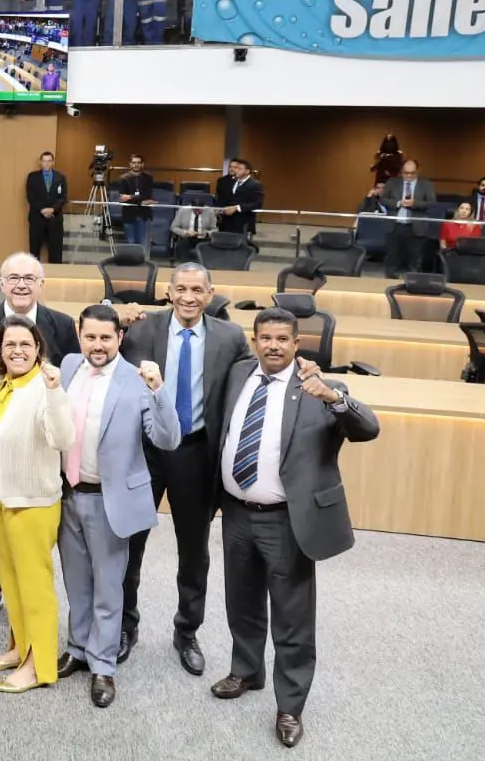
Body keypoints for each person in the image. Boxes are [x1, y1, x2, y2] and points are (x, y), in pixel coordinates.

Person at [210, 308, 380, 748]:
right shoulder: (239, 375)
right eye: (265, 338)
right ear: (254, 341)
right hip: (237, 513)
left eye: (282, 339)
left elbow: (367, 429)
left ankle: (290, 705)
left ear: (297, 342)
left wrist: (334, 398)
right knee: (241, 602)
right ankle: (246, 670)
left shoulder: (319, 388)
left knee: (292, 618)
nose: (273, 346)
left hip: (286, 521)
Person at [117, 263, 252, 673]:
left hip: (196, 453)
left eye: (197, 290)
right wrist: (116, 314)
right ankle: (125, 625)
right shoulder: (142, 331)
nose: (188, 297)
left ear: (210, 295)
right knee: (130, 543)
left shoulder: (230, 337)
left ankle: (187, 631)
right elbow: (101, 354)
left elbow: (253, 377)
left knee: (193, 550)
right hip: (147, 450)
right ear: (168, 292)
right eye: (181, 289)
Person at [55, 304, 179, 709]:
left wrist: (159, 390)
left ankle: (104, 664)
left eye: (106, 338)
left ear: (119, 339)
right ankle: (77, 647)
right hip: (69, 496)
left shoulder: (136, 380)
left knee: (109, 589)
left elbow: (167, 439)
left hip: (110, 501)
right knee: (76, 583)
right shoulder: (69, 366)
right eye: (90, 336)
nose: (97, 345)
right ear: (79, 334)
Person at [0, 314, 73, 692]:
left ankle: (39, 665)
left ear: (38, 350)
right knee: (10, 579)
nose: (17, 350)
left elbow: (63, 438)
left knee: (34, 585)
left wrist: (56, 391)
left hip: (30, 499)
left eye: (25, 345)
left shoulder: (44, 386)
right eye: (9, 344)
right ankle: (18, 647)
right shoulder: (1, 383)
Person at [0, 252, 79, 365]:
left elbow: (73, 374)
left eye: (29, 278)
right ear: (2, 284)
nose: (21, 285)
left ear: (41, 284)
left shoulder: (63, 326)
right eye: (14, 278)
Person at [378, 159, 436, 279]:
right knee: (392, 257)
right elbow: (383, 199)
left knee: (415, 258)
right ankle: (389, 283)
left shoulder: (426, 184)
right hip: (395, 226)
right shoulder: (392, 182)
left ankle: (414, 284)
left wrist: (414, 204)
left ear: (418, 171)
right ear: (401, 172)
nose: (409, 176)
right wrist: (398, 203)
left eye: (412, 173)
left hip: (416, 227)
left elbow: (431, 203)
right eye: (406, 173)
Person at [25, 151, 69, 264]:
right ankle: (33, 276)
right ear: (40, 162)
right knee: (34, 249)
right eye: (44, 161)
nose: (46, 163)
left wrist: (52, 209)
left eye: (49, 161)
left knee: (56, 250)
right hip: (37, 218)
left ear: (53, 162)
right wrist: (42, 209)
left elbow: (64, 197)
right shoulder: (32, 177)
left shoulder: (61, 177)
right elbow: (30, 197)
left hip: (55, 219)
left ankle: (56, 277)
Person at [215, 158, 264, 237]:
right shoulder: (233, 181)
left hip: (243, 223)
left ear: (247, 171)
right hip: (227, 222)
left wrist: (236, 208)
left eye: (239, 169)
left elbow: (258, 204)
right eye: (236, 168)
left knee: (241, 247)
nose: (236, 170)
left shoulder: (255, 185)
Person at [116, 155, 156, 249]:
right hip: (129, 214)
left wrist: (130, 197)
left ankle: (141, 263)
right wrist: (140, 201)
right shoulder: (123, 178)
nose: (136, 165)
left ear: (142, 164)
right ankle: (132, 263)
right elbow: (122, 198)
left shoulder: (148, 177)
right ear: (130, 164)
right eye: (134, 163)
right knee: (131, 242)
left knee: (142, 242)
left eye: (138, 163)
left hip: (143, 214)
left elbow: (147, 195)